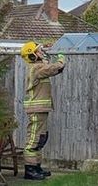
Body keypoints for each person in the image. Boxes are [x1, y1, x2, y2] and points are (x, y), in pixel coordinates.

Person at [19, 41, 66, 180]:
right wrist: (61, 59)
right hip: (36, 109)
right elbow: (54, 68)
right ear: (32, 56)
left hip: (41, 109)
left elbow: (48, 64)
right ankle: (30, 170)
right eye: (38, 51)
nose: (41, 53)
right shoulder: (37, 68)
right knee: (33, 140)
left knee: (40, 139)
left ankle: (36, 167)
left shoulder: (38, 66)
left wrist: (44, 49)